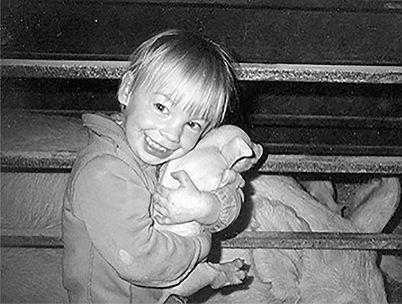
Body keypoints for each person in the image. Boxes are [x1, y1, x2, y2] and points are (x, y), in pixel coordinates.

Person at [62, 29, 257, 303]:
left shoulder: (165, 154)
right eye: (162, 107)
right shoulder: (103, 172)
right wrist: (201, 244)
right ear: (128, 89)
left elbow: (233, 186)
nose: (172, 134)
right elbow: (142, 261)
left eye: (192, 124)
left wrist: (207, 207)